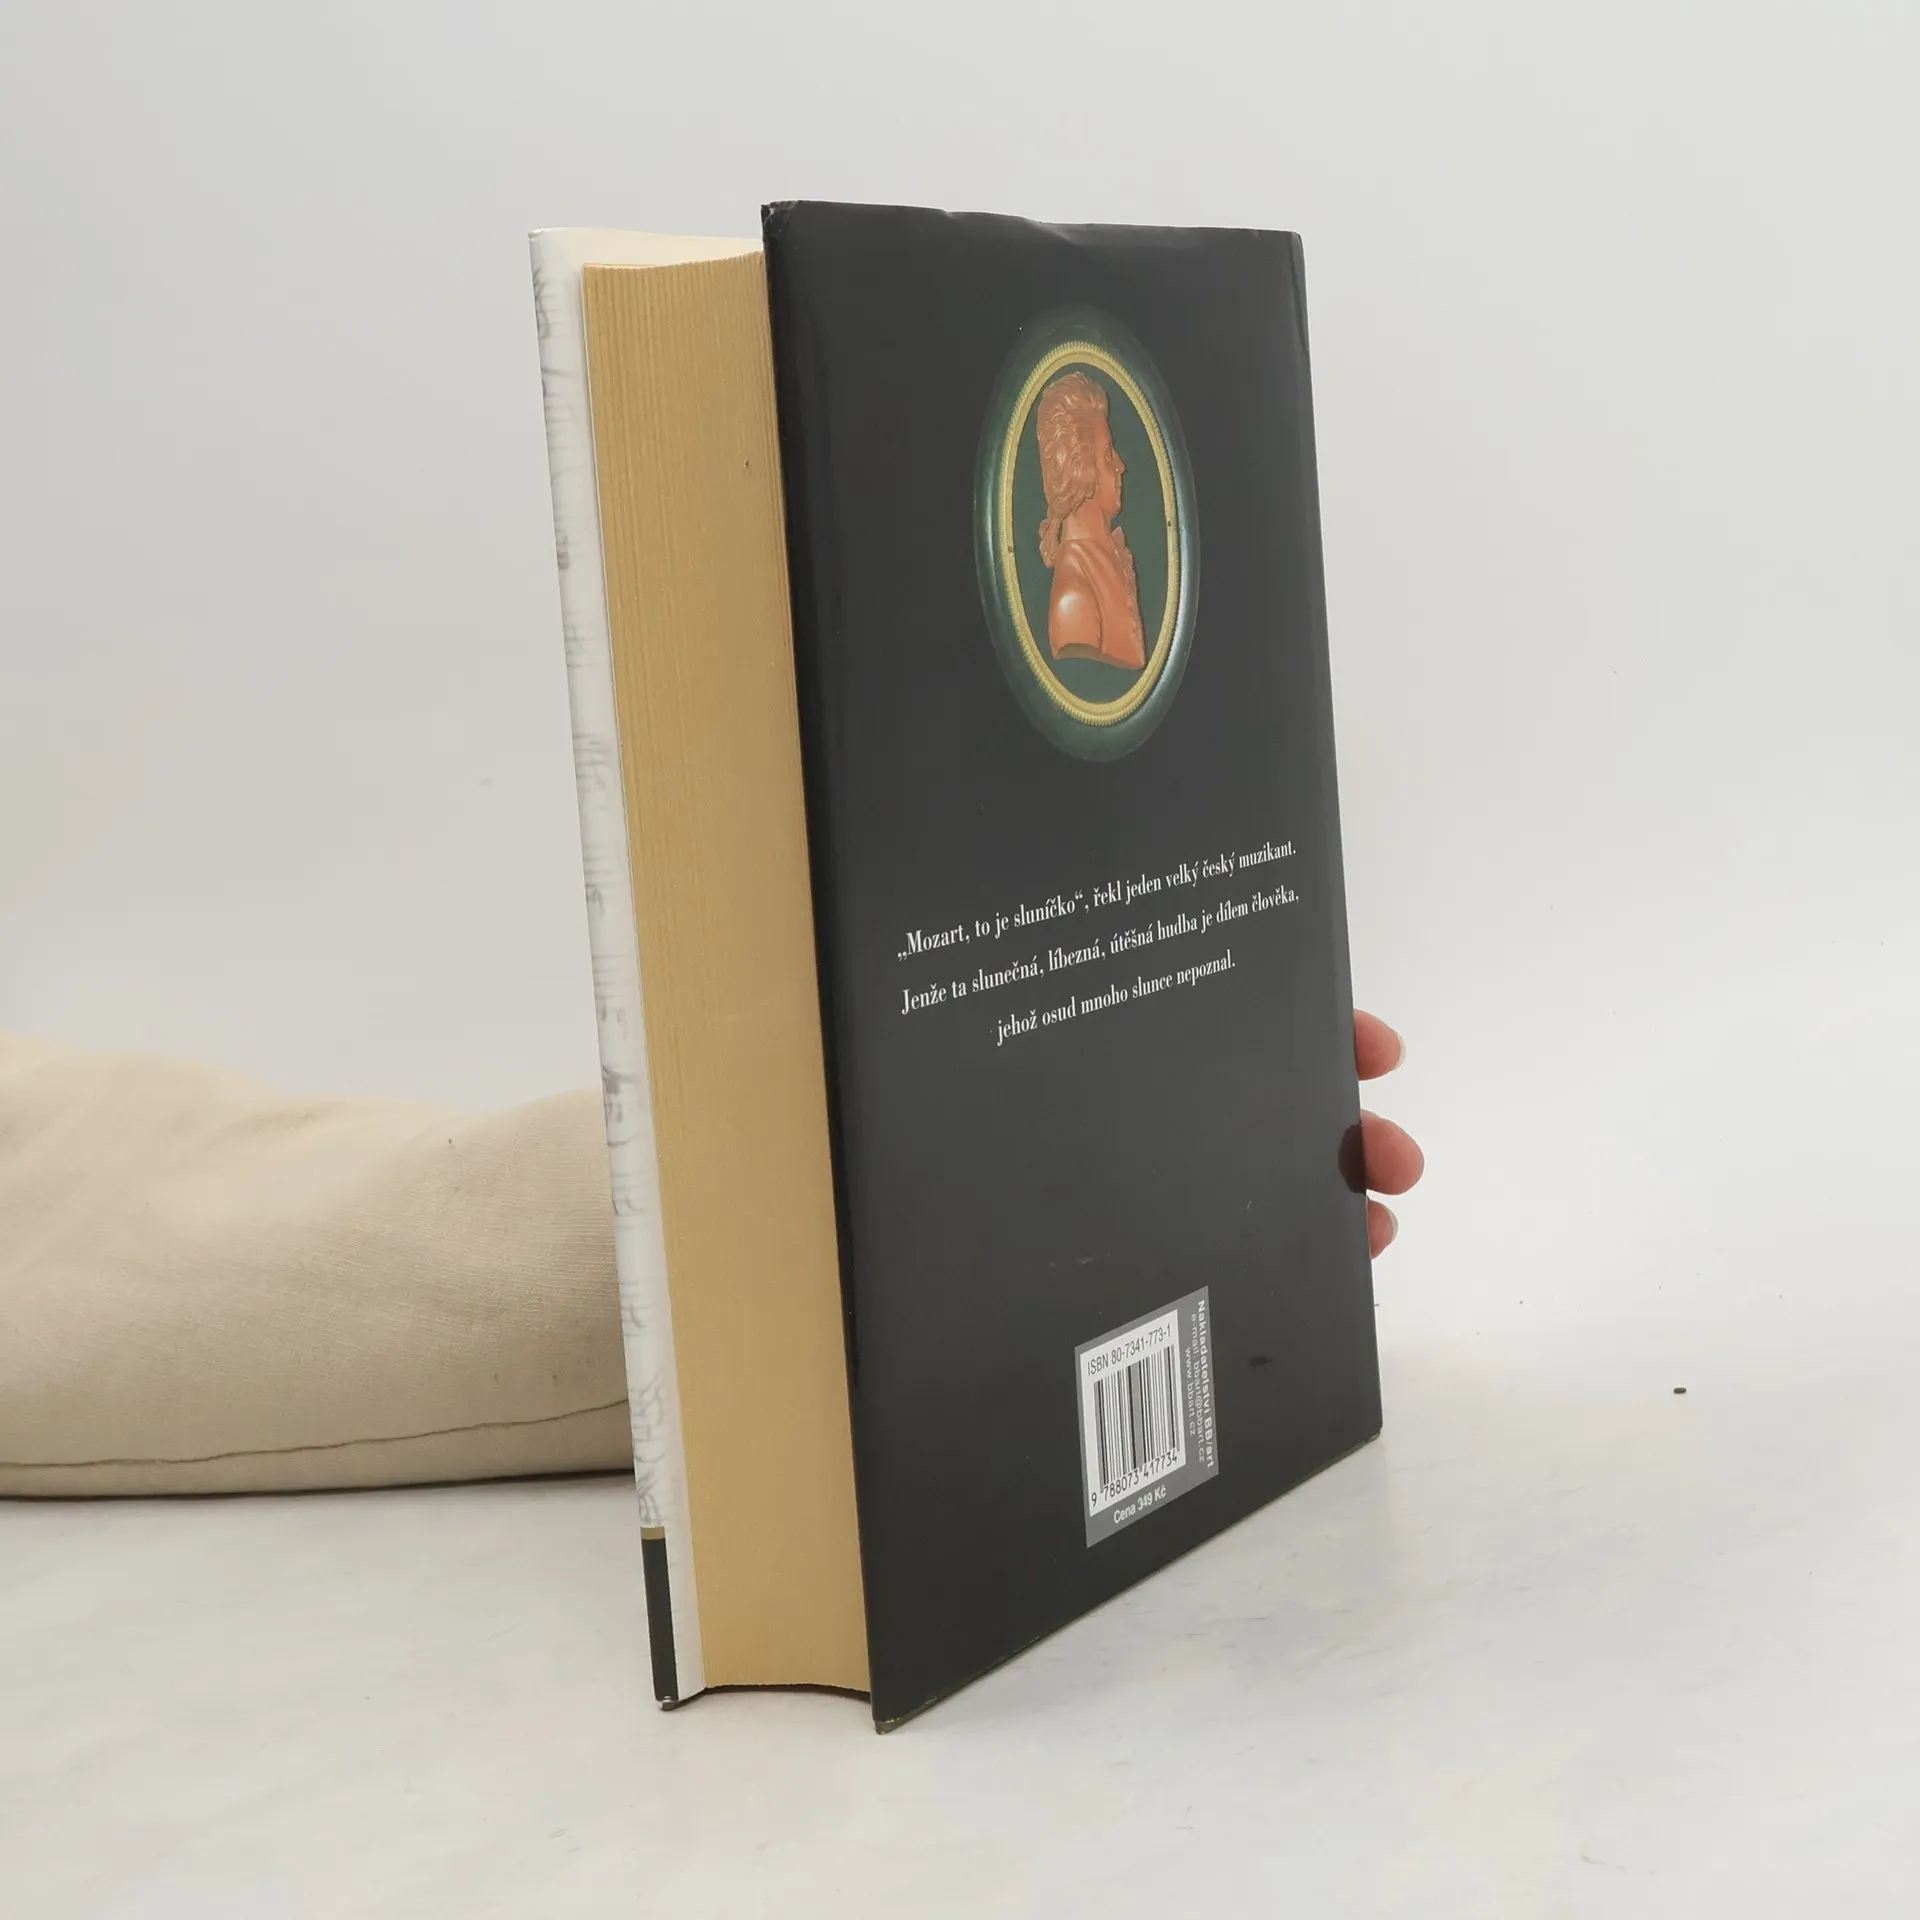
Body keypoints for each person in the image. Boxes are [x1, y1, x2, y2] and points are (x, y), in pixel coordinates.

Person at [1036, 369, 1148, 669]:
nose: (1121, 466)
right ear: (1081, 470)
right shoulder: (1074, 597)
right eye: (1109, 453)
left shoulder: (1110, 555)